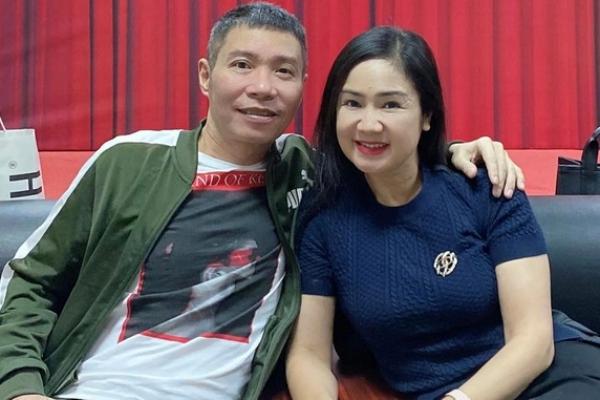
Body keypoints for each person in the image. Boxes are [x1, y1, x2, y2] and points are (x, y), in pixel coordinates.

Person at [0, 4, 523, 400]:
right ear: (205, 75)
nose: (262, 87)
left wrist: (457, 151)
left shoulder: (308, 175)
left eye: (284, 71)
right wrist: (22, 387)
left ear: (303, 87)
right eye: (242, 65)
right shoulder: (129, 162)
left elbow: (389, 150)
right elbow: (30, 283)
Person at [286, 26, 600, 400]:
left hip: (548, 377)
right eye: (352, 103)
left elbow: (533, 341)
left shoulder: (486, 188)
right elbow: (308, 354)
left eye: (391, 105)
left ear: (427, 115)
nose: (368, 124)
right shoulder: (323, 219)